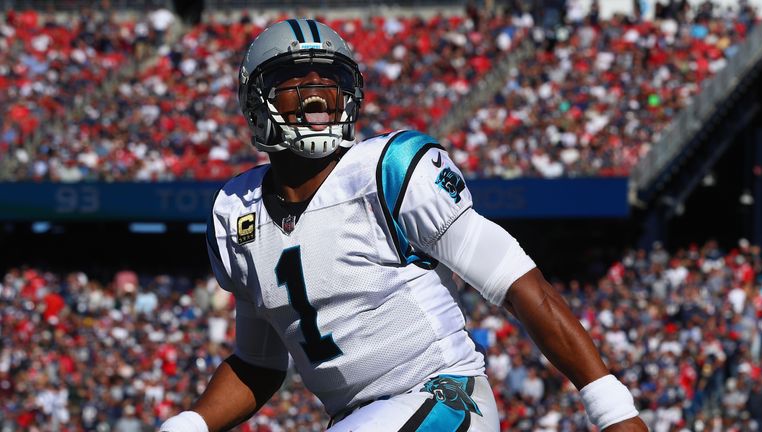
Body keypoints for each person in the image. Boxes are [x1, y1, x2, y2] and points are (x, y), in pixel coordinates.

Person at [160, 19, 648, 432]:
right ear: (256, 100)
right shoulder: (236, 214)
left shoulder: (388, 171)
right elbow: (258, 364)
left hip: (445, 396)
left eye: (327, 78)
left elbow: (520, 284)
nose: (316, 93)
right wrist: (189, 423)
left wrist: (612, 409)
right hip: (355, 420)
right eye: (293, 78)